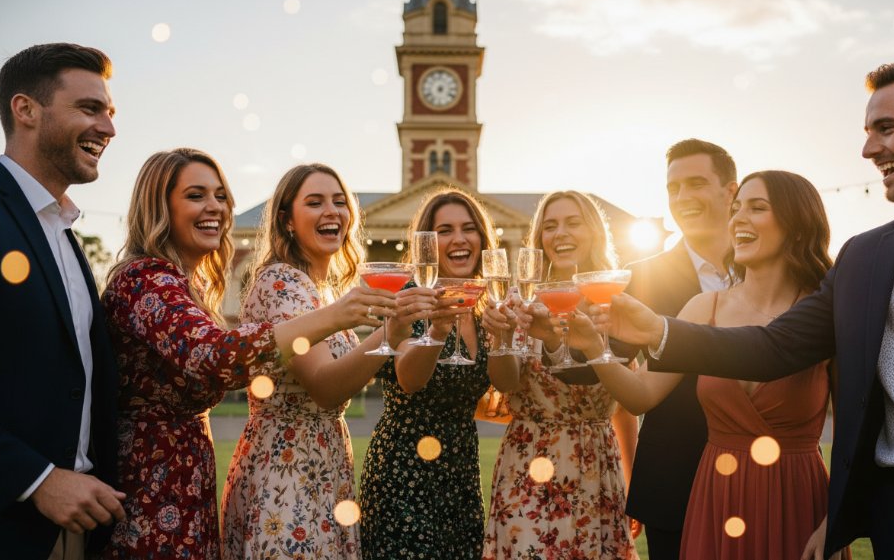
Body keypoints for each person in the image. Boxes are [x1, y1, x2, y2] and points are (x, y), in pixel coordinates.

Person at [596, 58, 894, 560]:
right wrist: (658, 329)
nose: (868, 148)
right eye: (867, 131)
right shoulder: (866, 258)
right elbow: (773, 347)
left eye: (886, 128)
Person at [101, 149, 396, 559]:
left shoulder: (185, 287)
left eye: (221, 196)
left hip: (190, 481)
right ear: (159, 206)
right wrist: (343, 316)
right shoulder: (145, 281)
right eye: (196, 195)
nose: (216, 208)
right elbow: (213, 355)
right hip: (153, 487)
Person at [592, 171, 839, 559]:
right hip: (717, 494)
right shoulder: (703, 308)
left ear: (796, 224)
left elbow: (852, 432)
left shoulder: (827, 315)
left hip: (798, 496)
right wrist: (594, 347)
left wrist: (834, 520)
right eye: (736, 208)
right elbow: (640, 395)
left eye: (757, 208)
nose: (738, 218)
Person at [221, 163, 436, 559]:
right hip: (287, 473)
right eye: (315, 202)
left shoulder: (323, 290)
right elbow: (325, 386)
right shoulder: (280, 282)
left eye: (340, 202)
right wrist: (390, 332)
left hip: (324, 466)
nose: (331, 211)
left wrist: (407, 330)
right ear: (287, 220)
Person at [0, 42, 123, 560]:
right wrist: (36, 479)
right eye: (90, 109)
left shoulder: (64, 233)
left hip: (76, 529)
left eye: (109, 113)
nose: (108, 129)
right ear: (26, 110)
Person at [480, 190, 640, 560]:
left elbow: (624, 404)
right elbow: (504, 382)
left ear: (595, 232)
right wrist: (501, 339)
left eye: (572, 222)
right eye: (550, 226)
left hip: (597, 466)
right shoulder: (521, 300)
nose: (560, 233)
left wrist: (633, 481)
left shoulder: (613, 301)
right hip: (531, 463)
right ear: (540, 239)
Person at [358, 188, 495, 560]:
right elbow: (409, 378)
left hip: (461, 474)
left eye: (468, 228)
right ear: (427, 246)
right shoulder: (408, 297)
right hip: (404, 474)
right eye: (444, 230)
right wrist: (436, 331)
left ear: (482, 239)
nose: (459, 239)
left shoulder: (483, 308)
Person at [621, 138, 737, 560]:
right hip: (675, 482)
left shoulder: (777, 267)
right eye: (674, 188)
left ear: (731, 191)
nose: (683, 198)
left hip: (766, 471)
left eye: (696, 183)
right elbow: (594, 367)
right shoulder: (639, 278)